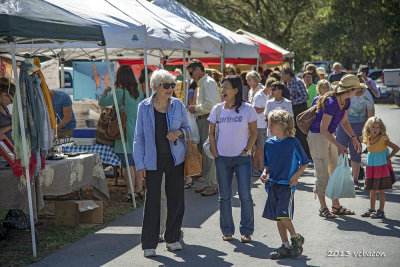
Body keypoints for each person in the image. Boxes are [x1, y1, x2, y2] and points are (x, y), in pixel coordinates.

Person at [134, 69, 190, 257]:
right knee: (152, 200)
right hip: (152, 159)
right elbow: (138, 138)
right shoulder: (144, 106)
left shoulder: (178, 105)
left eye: (172, 85)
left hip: (176, 158)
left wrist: (179, 132)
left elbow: (188, 129)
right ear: (155, 87)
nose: (170, 89)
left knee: (176, 199)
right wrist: (139, 164)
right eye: (166, 85)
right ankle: (149, 243)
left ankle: (172, 238)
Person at [208, 75, 258, 243]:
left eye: (226, 87)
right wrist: (216, 155)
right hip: (222, 159)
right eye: (221, 87)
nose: (222, 90)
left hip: (242, 159)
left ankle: (247, 230)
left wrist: (246, 150)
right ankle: (227, 230)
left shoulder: (248, 109)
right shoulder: (217, 109)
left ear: (236, 90)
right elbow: (211, 133)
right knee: (224, 196)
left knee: (245, 195)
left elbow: (254, 133)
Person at [308, 74, 363, 218]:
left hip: (329, 136)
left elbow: (344, 122)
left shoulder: (346, 101)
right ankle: (323, 208)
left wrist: (354, 138)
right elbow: (322, 129)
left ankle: (336, 206)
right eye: (356, 89)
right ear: (349, 89)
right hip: (318, 136)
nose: (357, 92)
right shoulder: (332, 103)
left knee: (334, 171)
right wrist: (339, 144)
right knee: (322, 173)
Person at [260, 109, 309, 259]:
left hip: (287, 184)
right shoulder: (269, 143)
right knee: (278, 217)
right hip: (272, 184)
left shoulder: (293, 142)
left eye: (272, 124)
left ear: (283, 125)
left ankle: (295, 238)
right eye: (268, 124)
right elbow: (267, 164)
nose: (269, 127)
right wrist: (264, 173)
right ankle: (285, 245)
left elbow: (305, 162)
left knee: (283, 214)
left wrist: (296, 176)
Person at [99, 65, 144, 201]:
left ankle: (131, 191)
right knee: (136, 162)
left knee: (127, 163)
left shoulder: (119, 92)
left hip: (124, 129)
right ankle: (139, 189)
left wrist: (106, 90)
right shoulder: (138, 92)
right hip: (138, 128)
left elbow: (102, 102)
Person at [187, 59, 220, 196]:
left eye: (190, 73)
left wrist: (195, 108)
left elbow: (211, 105)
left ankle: (212, 185)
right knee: (205, 153)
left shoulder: (208, 83)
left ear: (198, 70)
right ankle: (209, 183)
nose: (190, 76)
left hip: (207, 120)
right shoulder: (204, 84)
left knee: (208, 153)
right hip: (203, 120)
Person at [336, 77, 375, 189]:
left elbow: (371, 117)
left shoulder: (367, 96)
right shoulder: (346, 94)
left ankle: (355, 180)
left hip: (358, 125)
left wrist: (368, 133)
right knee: (341, 151)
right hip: (342, 124)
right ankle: (344, 178)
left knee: (356, 152)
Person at [360, 117, 399, 219]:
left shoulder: (383, 138)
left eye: (378, 127)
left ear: (381, 128)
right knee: (372, 189)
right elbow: (358, 140)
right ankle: (372, 209)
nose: (375, 129)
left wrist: (389, 157)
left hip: (381, 167)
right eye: (373, 127)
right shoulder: (367, 139)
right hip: (371, 167)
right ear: (368, 128)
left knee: (381, 190)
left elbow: (396, 148)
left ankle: (381, 211)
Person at [281, 66, 311, 160]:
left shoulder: (297, 82)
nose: (282, 77)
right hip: (292, 109)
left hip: (300, 109)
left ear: (288, 75)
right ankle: (299, 154)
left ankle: (307, 154)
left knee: (301, 133)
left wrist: (294, 101)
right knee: (295, 132)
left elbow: (305, 96)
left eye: (283, 75)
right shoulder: (287, 83)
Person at [251, 77, 272, 176]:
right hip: (259, 125)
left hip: (263, 124)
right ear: (269, 87)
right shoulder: (260, 96)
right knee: (259, 148)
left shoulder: (266, 94)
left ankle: (259, 167)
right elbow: (254, 110)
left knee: (261, 148)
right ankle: (254, 167)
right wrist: (268, 108)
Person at [0, 78, 15, 142]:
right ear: (4, 95)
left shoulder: (4, 107)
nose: (11, 103)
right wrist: (11, 126)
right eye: (11, 100)